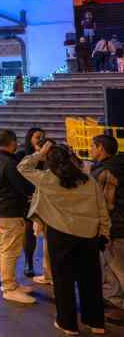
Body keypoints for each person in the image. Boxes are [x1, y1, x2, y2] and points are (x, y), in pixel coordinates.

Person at [19, 141, 109, 335]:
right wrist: (104, 232)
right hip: (88, 235)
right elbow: (101, 208)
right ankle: (95, 322)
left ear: (49, 161)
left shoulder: (46, 179)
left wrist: (40, 153)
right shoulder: (88, 180)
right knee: (91, 280)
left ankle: (68, 324)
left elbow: (23, 167)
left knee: (63, 280)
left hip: (60, 235)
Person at [0, 129, 36, 304]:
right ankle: (9, 288)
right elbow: (23, 187)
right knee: (10, 251)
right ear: (12, 142)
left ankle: (9, 283)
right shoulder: (9, 163)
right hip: (10, 211)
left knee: (3, 249)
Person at [89, 134, 124, 321]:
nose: (91, 150)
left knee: (117, 267)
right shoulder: (119, 165)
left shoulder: (105, 172)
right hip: (118, 224)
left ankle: (119, 306)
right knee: (112, 266)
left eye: (92, 146)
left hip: (114, 226)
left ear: (101, 148)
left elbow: (102, 204)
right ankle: (115, 301)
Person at [20, 128, 50, 282]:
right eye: (38, 137)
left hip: (46, 199)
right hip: (29, 198)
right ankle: (29, 261)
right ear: (30, 139)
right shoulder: (23, 155)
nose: (40, 139)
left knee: (48, 235)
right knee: (28, 232)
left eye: (43, 137)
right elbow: (19, 175)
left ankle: (48, 270)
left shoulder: (49, 156)